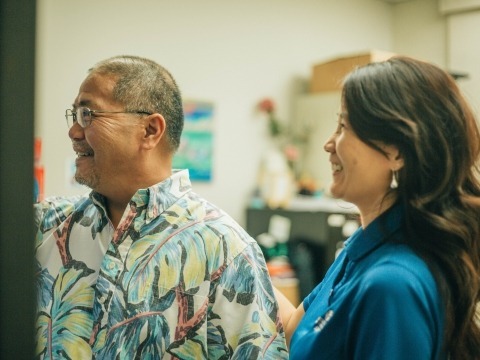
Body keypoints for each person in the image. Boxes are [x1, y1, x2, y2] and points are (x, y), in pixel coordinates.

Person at [34, 55, 288, 359]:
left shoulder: (225, 250)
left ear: (150, 130)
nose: (74, 131)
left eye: (88, 114)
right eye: (74, 115)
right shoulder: (45, 226)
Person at [280, 56, 480, 359]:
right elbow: (298, 328)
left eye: (344, 126)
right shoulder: (360, 250)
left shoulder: (392, 285)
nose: (329, 143)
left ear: (395, 151)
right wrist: (236, 257)